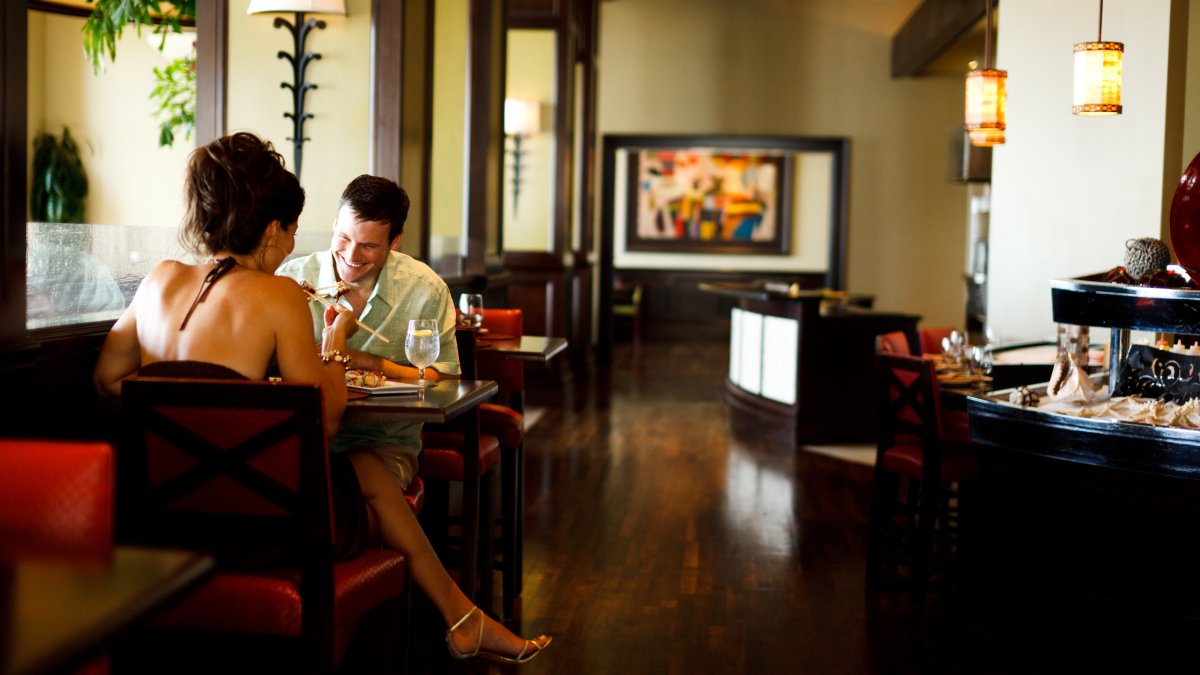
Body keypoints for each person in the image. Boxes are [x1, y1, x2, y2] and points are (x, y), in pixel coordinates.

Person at [94, 134, 550, 665]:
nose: (294, 248)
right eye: (292, 232)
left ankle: (459, 618)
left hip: (165, 515)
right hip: (263, 524)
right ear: (271, 230)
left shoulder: (159, 279)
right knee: (371, 483)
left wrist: (194, 399)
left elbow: (107, 378)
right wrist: (335, 342)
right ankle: (445, 622)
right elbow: (327, 421)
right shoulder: (280, 293)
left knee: (369, 474)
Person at [277, 174, 458, 492]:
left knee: (352, 489)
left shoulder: (424, 290)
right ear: (334, 223)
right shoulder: (290, 280)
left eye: (369, 245)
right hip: (300, 438)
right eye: (344, 237)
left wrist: (366, 360)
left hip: (384, 444)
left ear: (395, 240)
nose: (351, 255)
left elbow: (442, 380)